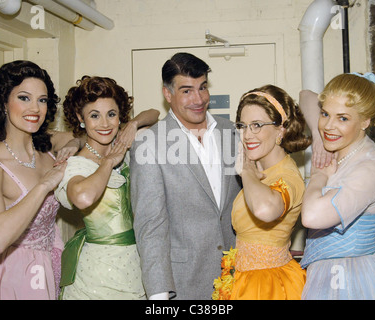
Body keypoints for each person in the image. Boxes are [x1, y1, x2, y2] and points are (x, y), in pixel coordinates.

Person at [0, 60, 81, 300]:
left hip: (47, 262)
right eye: (24, 98)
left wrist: (74, 143)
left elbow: (88, 134)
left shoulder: (45, 144)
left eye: (42, 100)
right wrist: (44, 185)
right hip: (9, 274)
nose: (35, 108)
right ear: (4, 103)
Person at [129, 52, 242, 300]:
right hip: (184, 285)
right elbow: (151, 227)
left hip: (239, 279)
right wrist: (159, 296)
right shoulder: (149, 144)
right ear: (167, 94)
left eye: (202, 87)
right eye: (187, 91)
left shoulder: (232, 132)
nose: (199, 99)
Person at [299, 72, 375, 300]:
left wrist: (319, 176)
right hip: (327, 272)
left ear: (366, 121)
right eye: (325, 114)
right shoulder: (344, 149)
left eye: (343, 118)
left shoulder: (369, 169)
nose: (328, 126)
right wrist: (317, 136)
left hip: (353, 279)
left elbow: (311, 217)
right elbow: (306, 96)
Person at [54, 75, 159, 299]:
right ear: (80, 118)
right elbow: (83, 197)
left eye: (111, 114)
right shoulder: (77, 164)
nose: (105, 123)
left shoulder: (122, 144)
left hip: (136, 262)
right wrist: (109, 161)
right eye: (94, 115)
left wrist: (133, 124)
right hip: (98, 272)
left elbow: (155, 114)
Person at [212, 85, 311, 300]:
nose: (247, 135)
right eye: (243, 126)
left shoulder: (288, 175)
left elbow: (265, 209)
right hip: (243, 280)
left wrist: (246, 171)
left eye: (257, 125)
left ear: (281, 129)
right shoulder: (263, 170)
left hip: (269, 287)